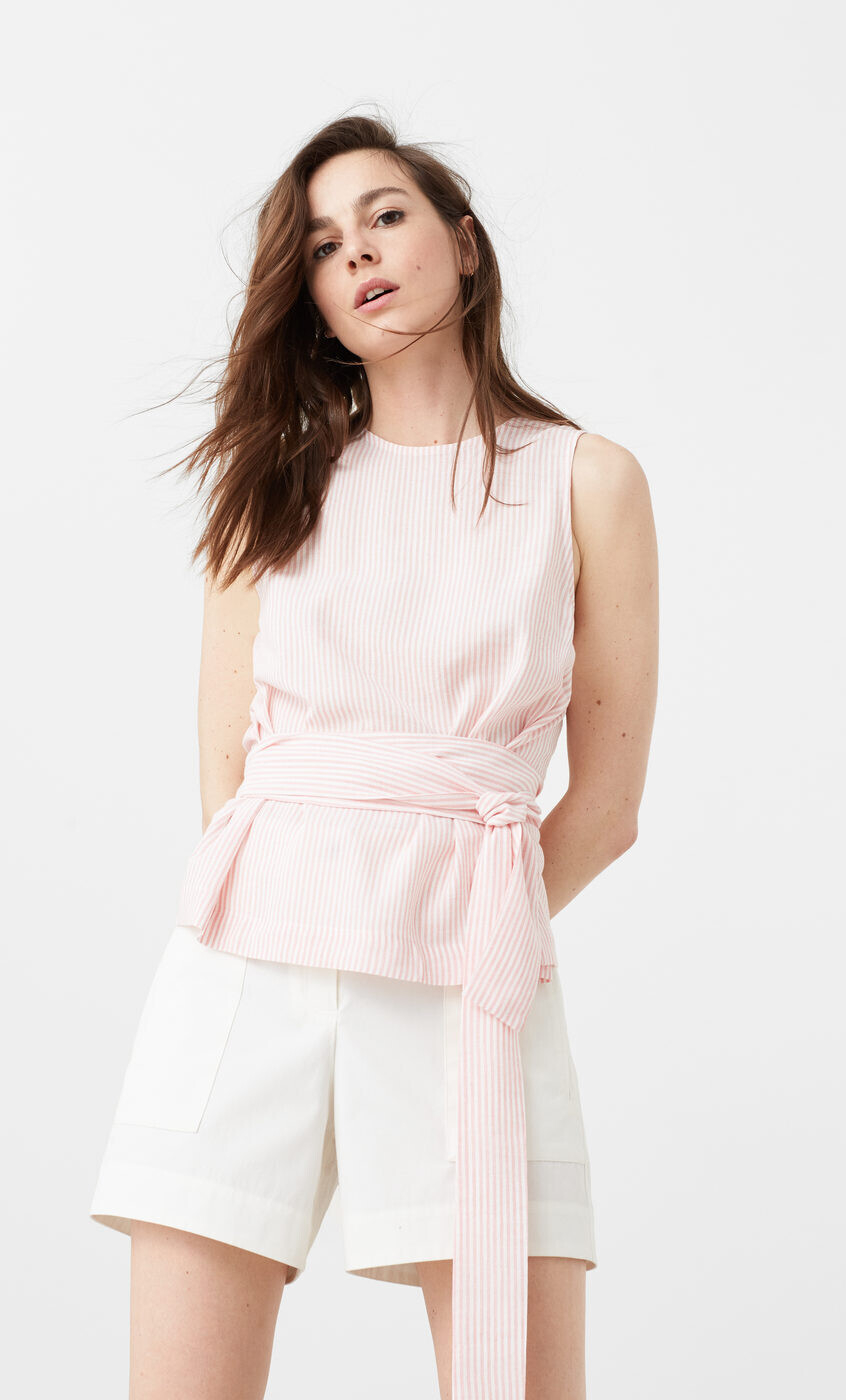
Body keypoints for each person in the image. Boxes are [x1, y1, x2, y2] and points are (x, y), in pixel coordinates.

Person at [89, 111, 658, 1400]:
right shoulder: (272, 489)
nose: (356, 252)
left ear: (464, 242)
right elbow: (227, 777)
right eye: (322, 244)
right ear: (311, 298)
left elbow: (608, 805)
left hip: (471, 971)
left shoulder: (587, 482)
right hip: (251, 966)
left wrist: (467, 922)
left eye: (386, 215)